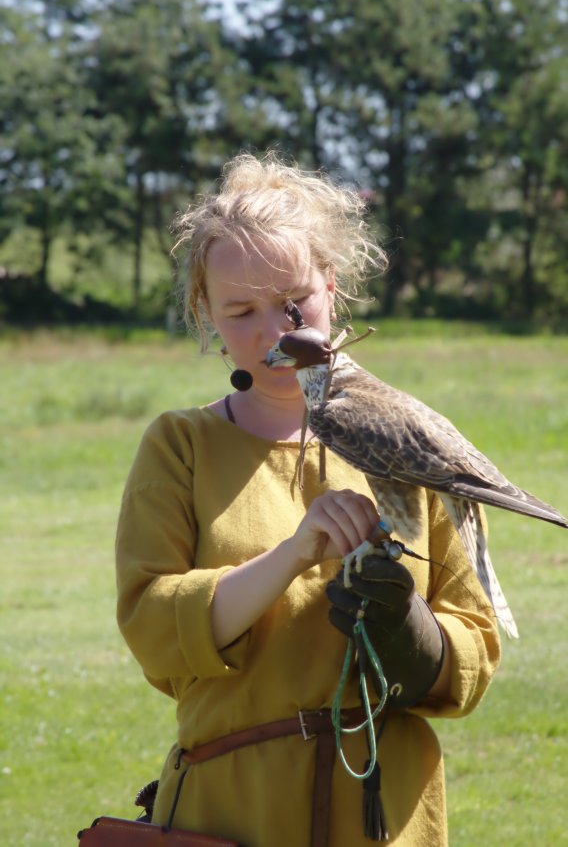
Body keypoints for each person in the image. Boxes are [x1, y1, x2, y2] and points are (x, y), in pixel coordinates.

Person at [115, 152, 501, 847]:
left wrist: (410, 631)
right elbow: (152, 629)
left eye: (294, 303)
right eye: (241, 310)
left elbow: (473, 655)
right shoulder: (182, 446)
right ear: (206, 313)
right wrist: (292, 555)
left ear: (331, 285)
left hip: (387, 814)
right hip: (233, 812)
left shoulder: (406, 433)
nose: (274, 333)